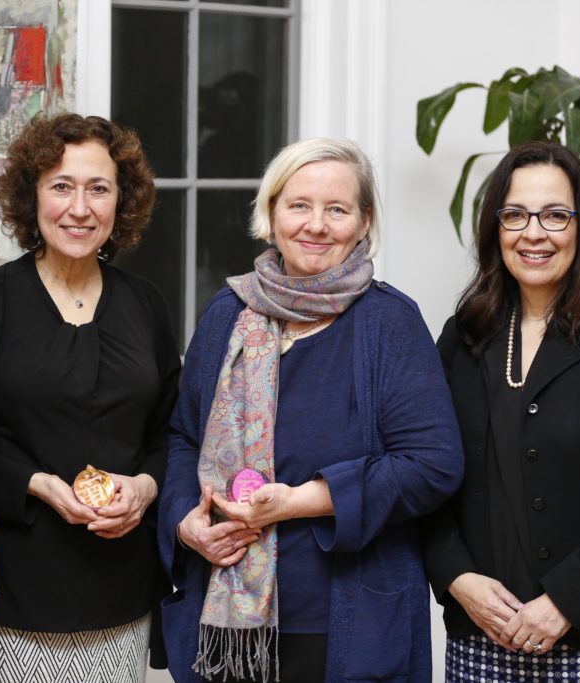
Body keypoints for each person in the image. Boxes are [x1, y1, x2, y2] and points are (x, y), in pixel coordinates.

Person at [158, 137, 464, 683]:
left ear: (364, 221)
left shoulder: (389, 323)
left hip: (345, 620)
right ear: (272, 212)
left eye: (337, 209)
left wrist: (301, 502)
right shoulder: (226, 313)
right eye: (298, 205)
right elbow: (184, 437)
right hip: (226, 623)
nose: (315, 225)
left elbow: (433, 462)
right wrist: (187, 524)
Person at [423, 141, 580, 681]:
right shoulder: (462, 337)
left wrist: (564, 602)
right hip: (482, 631)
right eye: (515, 214)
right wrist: (457, 578)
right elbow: (429, 475)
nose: (533, 233)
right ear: (495, 228)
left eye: (554, 215)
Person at [0, 113, 180, 682]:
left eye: (98, 189)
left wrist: (144, 487)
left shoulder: (147, 305)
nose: (79, 208)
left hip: (123, 593)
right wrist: (33, 484)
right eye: (61, 186)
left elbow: (171, 431)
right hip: (14, 596)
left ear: (121, 201)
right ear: (30, 196)